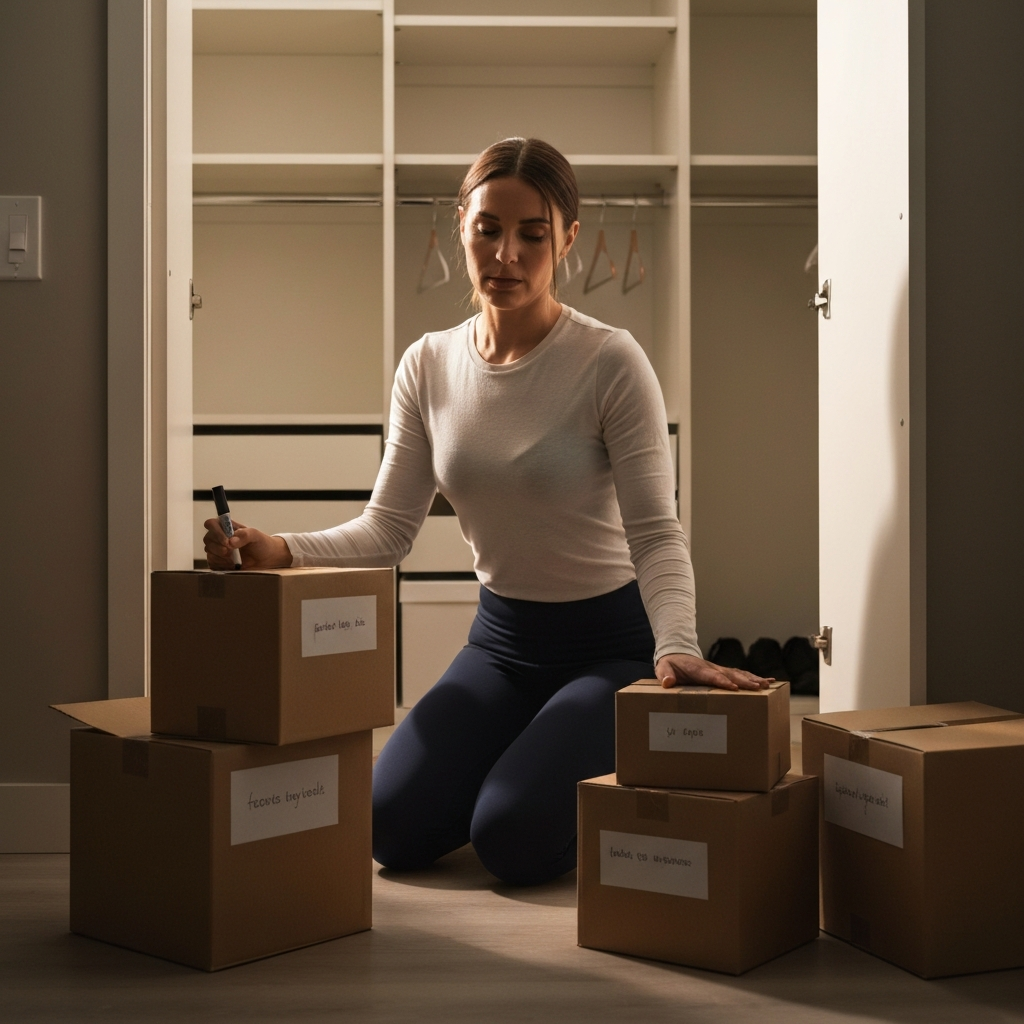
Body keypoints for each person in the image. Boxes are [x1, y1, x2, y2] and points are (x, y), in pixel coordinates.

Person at [204, 137, 769, 887]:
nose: (507, 254)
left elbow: (656, 532)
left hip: (611, 649)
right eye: (488, 229)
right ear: (458, 227)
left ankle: (549, 781)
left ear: (568, 238)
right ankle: (524, 770)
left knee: (510, 841)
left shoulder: (610, 361)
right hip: (501, 644)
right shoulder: (428, 364)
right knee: (391, 827)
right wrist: (277, 548)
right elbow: (388, 530)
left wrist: (675, 645)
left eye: (533, 234)